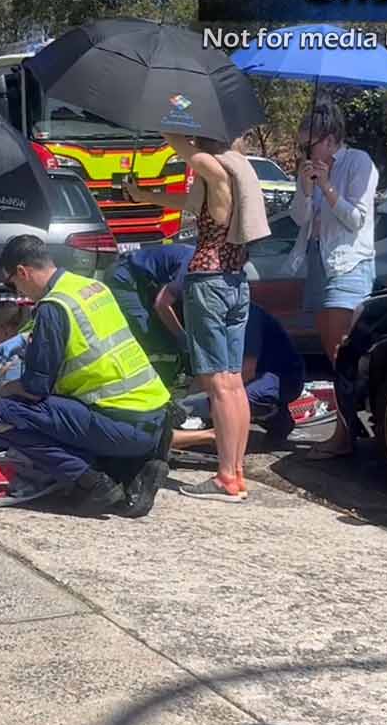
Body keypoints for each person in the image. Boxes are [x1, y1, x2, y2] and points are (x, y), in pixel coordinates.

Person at [123, 135, 268, 503]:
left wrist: (167, 126)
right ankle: (235, 473)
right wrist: (145, 195)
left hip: (209, 283)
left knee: (218, 383)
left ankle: (224, 477)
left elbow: (194, 157)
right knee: (233, 383)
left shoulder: (218, 172)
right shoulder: (239, 175)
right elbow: (186, 200)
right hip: (237, 283)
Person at [0, 235, 171, 518]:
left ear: (23, 272)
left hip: (120, 424)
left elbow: (36, 388)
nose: (16, 292)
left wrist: (4, 388)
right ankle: (134, 470)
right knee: (63, 410)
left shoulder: (53, 307)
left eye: (12, 283)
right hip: (155, 417)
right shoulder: (90, 286)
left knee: (0, 411)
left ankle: (93, 482)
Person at [288, 102, 378, 460]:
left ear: (328, 139)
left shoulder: (359, 162)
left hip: (347, 262)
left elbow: (356, 219)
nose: (303, 152)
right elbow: (298, 217)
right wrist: (308, 188)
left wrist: (326, 185)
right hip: (316, 259)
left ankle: (347, 433)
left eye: (306, 145)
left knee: (343, 352)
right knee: (330, 351)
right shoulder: (306, 169)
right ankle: (345, 430)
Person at [173, 303, 303, 448]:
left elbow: (247, 370)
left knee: (232, 399)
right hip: (255, 376)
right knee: (212, 399)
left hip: (282, 379)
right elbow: (207, 370)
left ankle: (275, 417)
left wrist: (191, 405)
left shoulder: (246, 318)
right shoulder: (214, 319)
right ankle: (219, 424)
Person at [101, 243, 195, 384]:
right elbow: (162, 304)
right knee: (146, 330)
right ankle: (152, 380)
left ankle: (170, 372)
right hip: (124, 278)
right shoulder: (192, 266)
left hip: (146, 281)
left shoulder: (197, 261)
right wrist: (182, 337)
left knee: (165, 326)